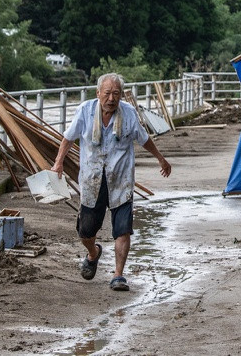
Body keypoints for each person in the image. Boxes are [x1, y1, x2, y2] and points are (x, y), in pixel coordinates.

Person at [52, 72, 171, 291]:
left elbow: (143, 139)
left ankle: (118, 275)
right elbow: (68, 138)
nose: (111, 98)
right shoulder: (85, 111)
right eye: (107, 93)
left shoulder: (129, 113)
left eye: (116, 94)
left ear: (121, 96)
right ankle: (93, 252)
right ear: (98, 93)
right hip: (92, 179)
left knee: (123, 229)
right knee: (85, 231)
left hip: (121, 179)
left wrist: (161, 159)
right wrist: (58, 162)